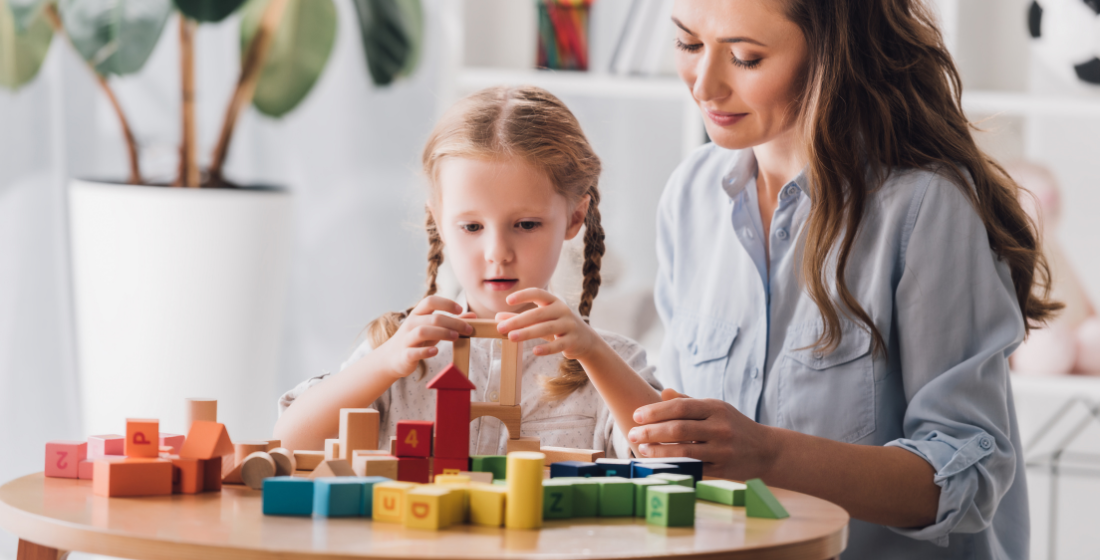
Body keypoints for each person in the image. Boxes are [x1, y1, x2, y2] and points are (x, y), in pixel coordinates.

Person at [629, 1, 1059, 558]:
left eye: (744, 57)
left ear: (832, 54)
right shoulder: (689, 193)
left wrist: (768, 455)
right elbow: (681, 427)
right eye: (689, 46)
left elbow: (967, 481)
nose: (704, 86)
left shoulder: (927, 208)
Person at [273, 85, 662, 458]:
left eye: (526, 225)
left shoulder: (611, 362)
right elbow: (290, 442)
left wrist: (592, 352)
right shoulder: (398, 351)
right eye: (472, 227)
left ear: (575, 217)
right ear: (439, 222)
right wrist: (386, 363)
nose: (498, 253)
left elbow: (666, 455)